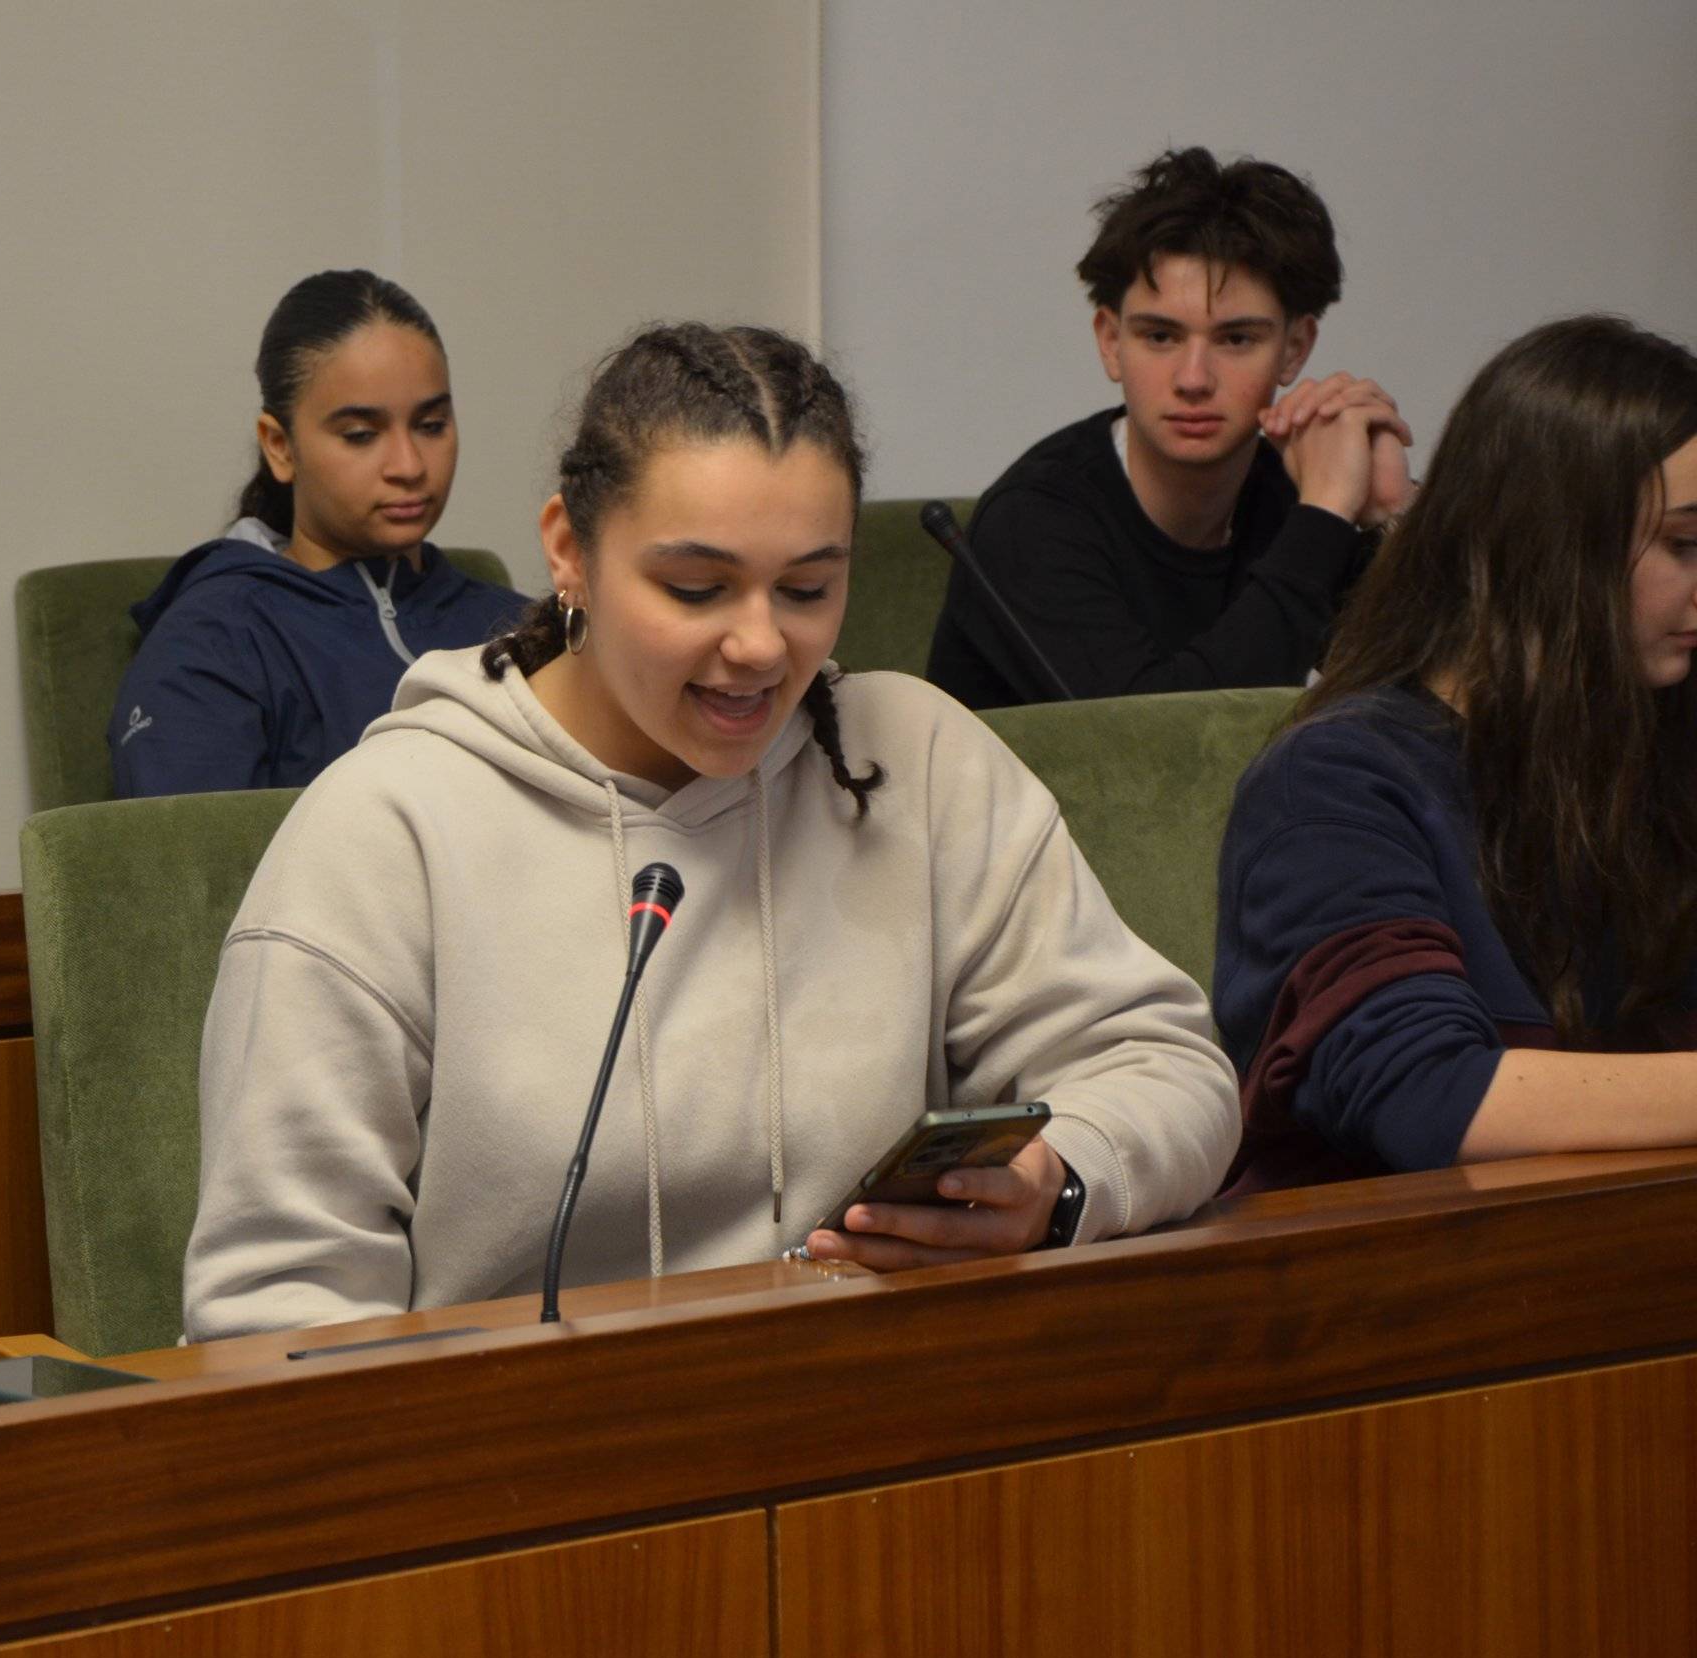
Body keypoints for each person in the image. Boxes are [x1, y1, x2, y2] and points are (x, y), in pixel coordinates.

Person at [183, 323, 1239, 1339]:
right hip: (523, 1478)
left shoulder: (912, 763)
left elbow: (1169, 1069)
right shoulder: (384, 834)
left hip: (877, 1451)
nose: (758, 645)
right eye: (696, 587)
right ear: (569, 550)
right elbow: (276, 1310)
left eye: (808, 588)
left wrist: (1058, 1182)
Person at [1215, 315, 1697, 1190]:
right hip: (1412, 1289)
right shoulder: (1334, 782)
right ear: (1554, 542)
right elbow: (1428, 1095)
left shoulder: (1654, 744)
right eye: (1684, 545)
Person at [926, 147, 1415, 708]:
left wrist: (1392, 516)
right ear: (1111, 343)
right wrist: (1326, 516)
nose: (1193, 379)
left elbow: (1454, 695)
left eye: (1236, 340)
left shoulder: (1293, 491)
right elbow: (1163, 753)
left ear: (1295, 349)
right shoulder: (1031, 521)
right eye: (1160, 337)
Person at [109, 269, 527, 797]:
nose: (409, 464)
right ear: (280, 446)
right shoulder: (212, 642)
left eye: (431, 425)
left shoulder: (518, 627)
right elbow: (192, 872)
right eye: (360, 435)